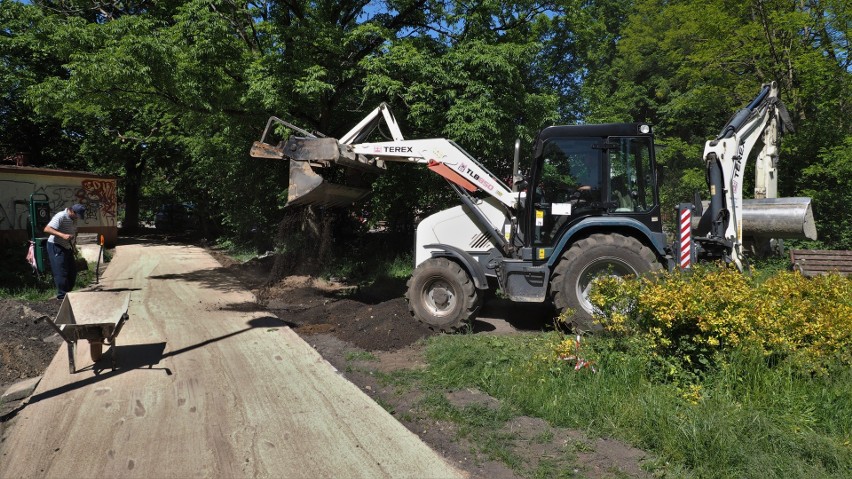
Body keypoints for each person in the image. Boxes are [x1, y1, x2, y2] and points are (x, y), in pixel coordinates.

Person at [44, 203, 86, 300]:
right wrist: (62, 235)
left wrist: (74, 247)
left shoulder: (74, 218)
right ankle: (62, 297)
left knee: (72, 271)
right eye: (77, 215)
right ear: (72, 211)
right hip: (56, 245)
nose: (77, 218)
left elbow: (73, 232)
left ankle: (68, 293)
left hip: (67, 247)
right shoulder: (61, 216)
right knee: (61, 271)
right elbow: (47, 229)